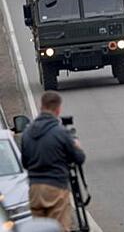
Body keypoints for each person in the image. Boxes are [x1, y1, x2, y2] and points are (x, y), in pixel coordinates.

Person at [21, 91, 86, 232]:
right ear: (58, 109)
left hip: (35, 189)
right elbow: (79, 158)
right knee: (59, 227)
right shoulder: (60, 132)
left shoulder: (27, 133)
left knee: (39, 229)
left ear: (41, 106)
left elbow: (25, 163)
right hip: (55, 187)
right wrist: (77, 146)